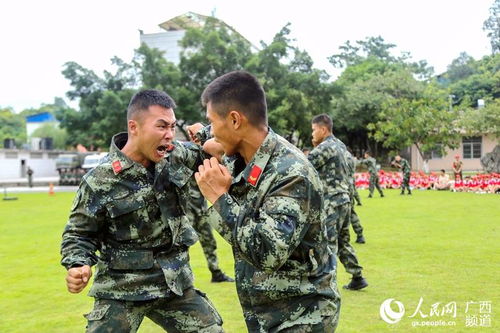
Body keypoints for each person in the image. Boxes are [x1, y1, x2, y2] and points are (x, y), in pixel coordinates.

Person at [60, 90, 223, 333]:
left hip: (175, 285)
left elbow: (223, 150)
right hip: (122, 289)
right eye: (161, 126)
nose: (169, 135)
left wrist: (204, 133)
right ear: (134, 127)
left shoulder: (175, 156)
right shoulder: (100, 180)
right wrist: (77, 264)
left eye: (171, 126)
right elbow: (78, 234)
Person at [194, 71, 340, 332]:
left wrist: (218, 197)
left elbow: (267, 252)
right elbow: (212, 139)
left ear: (235, 120)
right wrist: (202, 137)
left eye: (212, 123)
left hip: (301, 317)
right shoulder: (246, 157)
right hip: (266, 314)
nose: (211, 132)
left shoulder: (291, 173)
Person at [308, 114, 368, 290]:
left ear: (323, 129)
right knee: (343, 241)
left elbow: (303, 166)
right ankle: (357, 276)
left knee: (327, 243)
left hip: (331, 202)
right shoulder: (342, 147)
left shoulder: (325, 147)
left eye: (313, 130)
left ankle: (326, 284)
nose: (312, 134)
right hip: (344, 201)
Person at [186, 177, 234, 283]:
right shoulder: (177, 164)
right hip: (186, 210)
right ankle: (182, 278)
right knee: (184, 242)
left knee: (209, 241)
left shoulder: (198, 165)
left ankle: (216, 273)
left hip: (201, 209)